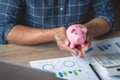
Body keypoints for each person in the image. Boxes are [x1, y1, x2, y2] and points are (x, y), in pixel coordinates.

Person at [0, 0, 114, 57]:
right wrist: (53, 34)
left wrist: (88, 29)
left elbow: (107, 16)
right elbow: (3, 27)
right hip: (32, 52)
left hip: (80, 54)